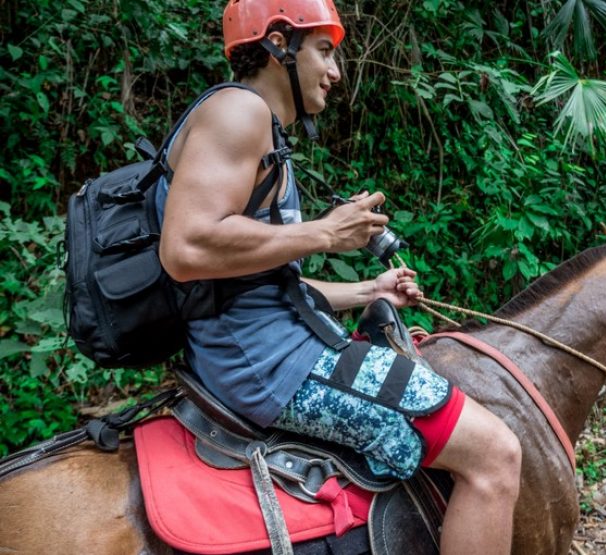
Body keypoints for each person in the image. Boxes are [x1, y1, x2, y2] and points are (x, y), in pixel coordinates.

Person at [157, 0, 521, 552]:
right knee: (496, 453)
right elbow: (184, 247)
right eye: (324, 51)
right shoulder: (240, 112)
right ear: (280, 43)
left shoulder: (267, 140)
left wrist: (368, 291)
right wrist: (328, 232)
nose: (336, 72)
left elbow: (261, 286)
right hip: (271, 366)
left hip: (262, 348)